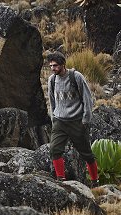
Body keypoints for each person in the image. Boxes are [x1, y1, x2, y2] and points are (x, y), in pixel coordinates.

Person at [46, 51, 99, 187]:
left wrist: (85, 120)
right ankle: (61, 180)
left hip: (77, 121)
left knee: (87, 154)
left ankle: (94, 181)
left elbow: (87, 99)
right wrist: (54, 118)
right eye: (51, 66)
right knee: (54, 150)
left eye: (55, 65)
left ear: (63, 64)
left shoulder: (76, 77)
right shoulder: (52, 80)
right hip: (59, 122)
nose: (53, 68)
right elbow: (52, 100)